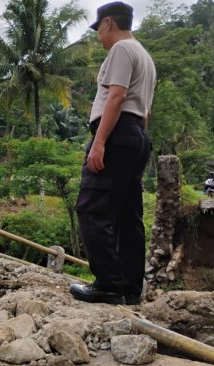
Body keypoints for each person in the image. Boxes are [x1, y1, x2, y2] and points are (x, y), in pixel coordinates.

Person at [69, 2, 156, 305]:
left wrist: (100, 142)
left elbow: (116, 96)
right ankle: (130, 289)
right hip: (136, 135)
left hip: (117, 135)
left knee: (92, 208)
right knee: (127, 215)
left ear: (108, 23)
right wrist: (134, 148)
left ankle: (108, 284)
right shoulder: (144, 55)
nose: (98, 36)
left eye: (99, 29)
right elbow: (145, 112)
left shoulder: (121, 49)